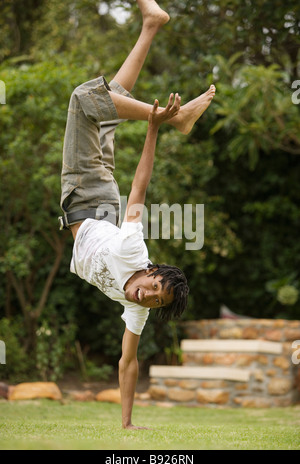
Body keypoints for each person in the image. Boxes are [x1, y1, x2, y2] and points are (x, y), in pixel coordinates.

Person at [59, 0, 216, 429]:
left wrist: (127, 425)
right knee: (84, 98)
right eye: (154, 287)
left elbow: (128, 363)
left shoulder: (138, 310)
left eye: (154, 300)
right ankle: (173, 118)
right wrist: (153, 125)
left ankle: (150, 24)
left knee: (110, 104)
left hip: (93, 200)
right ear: (152, 270)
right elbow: (140, 189)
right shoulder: (134, 249)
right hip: (88, 194)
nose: (147, 296)